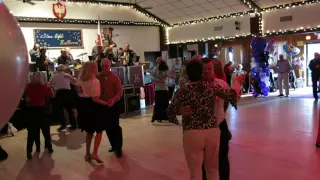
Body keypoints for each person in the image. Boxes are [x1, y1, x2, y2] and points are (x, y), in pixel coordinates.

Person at [167, 59, 238, 180]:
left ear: (187, 73)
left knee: (195, 171)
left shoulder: (182, 90)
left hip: (192, 132)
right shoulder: (211, 86)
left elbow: (170, 112)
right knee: (213, 170)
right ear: (201, 72)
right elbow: (231, 95)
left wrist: (180, 111)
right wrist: (237, 83)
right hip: (212, 131)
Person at [77, 61, 109, 163]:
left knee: (89, 131)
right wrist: (106, 103)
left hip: (83, 108)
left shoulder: (80, 80)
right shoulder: (95, 81)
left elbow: (80, 95)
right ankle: (95, 152)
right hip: (94, 108)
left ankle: (87, 153)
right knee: (99, 131)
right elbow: (95, 99)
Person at [97, 59, 123, 158]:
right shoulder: (98, 77)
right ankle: (113, 145)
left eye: (106, 66)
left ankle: (118, 147)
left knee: (115, 127)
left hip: (113, 105)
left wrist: (113, 100)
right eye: (102, 66)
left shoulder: (115, 77)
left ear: (110, 66)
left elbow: (120, 92)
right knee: (107, 127)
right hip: (102, 106)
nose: (104, 68)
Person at [25, 72, 53, 159]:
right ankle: (49, 147)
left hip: (31, 112)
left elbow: (26, 98)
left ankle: (29, 151)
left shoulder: (28, 87)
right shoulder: (45, 88)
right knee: (46, 132)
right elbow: (51, 96)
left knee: (32, 133)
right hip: (43, 112)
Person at [49, 65, 77, 131]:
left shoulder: (54, 76)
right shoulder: (67, 75)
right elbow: (75, 81)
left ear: (57, 69)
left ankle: (63, 125)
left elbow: (49, 84)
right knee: (69, 110)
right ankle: (74, 125)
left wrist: (54, 88)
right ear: (64, 69)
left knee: (60, 110)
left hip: (59, 93)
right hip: (67, 93)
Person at [149, 57, 169, 123]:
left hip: (165, 88)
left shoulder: (165, 67)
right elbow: (152, 77)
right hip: (158, 88)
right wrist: (157, 80)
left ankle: (166, 116)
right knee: (158, 104)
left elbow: (167, 76)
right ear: (158, 62)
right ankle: (158, 117)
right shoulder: (155, 68)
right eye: (161, 61)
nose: (161, 61)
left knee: (165, 103)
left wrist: (163, 80)